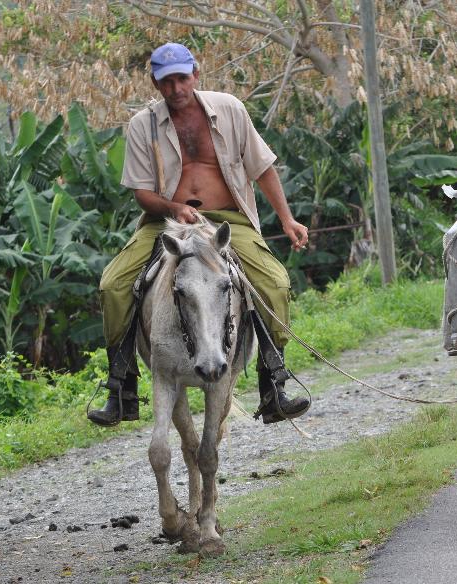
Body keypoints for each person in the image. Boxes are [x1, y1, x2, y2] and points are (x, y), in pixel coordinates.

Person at [88, 42, 310, 426]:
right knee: (113, 286)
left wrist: (287, 219)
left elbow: (262, 168)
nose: (175, 89)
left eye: (181, 78)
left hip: (228, 219)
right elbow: (141, 193)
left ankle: (273, 383)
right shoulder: (143, 125)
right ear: (155, 83)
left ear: (195, 73)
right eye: (166, 82)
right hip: (166, 222)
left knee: (274, 283)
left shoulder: (230, 109)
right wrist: (173, 208)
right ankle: (121, 388)